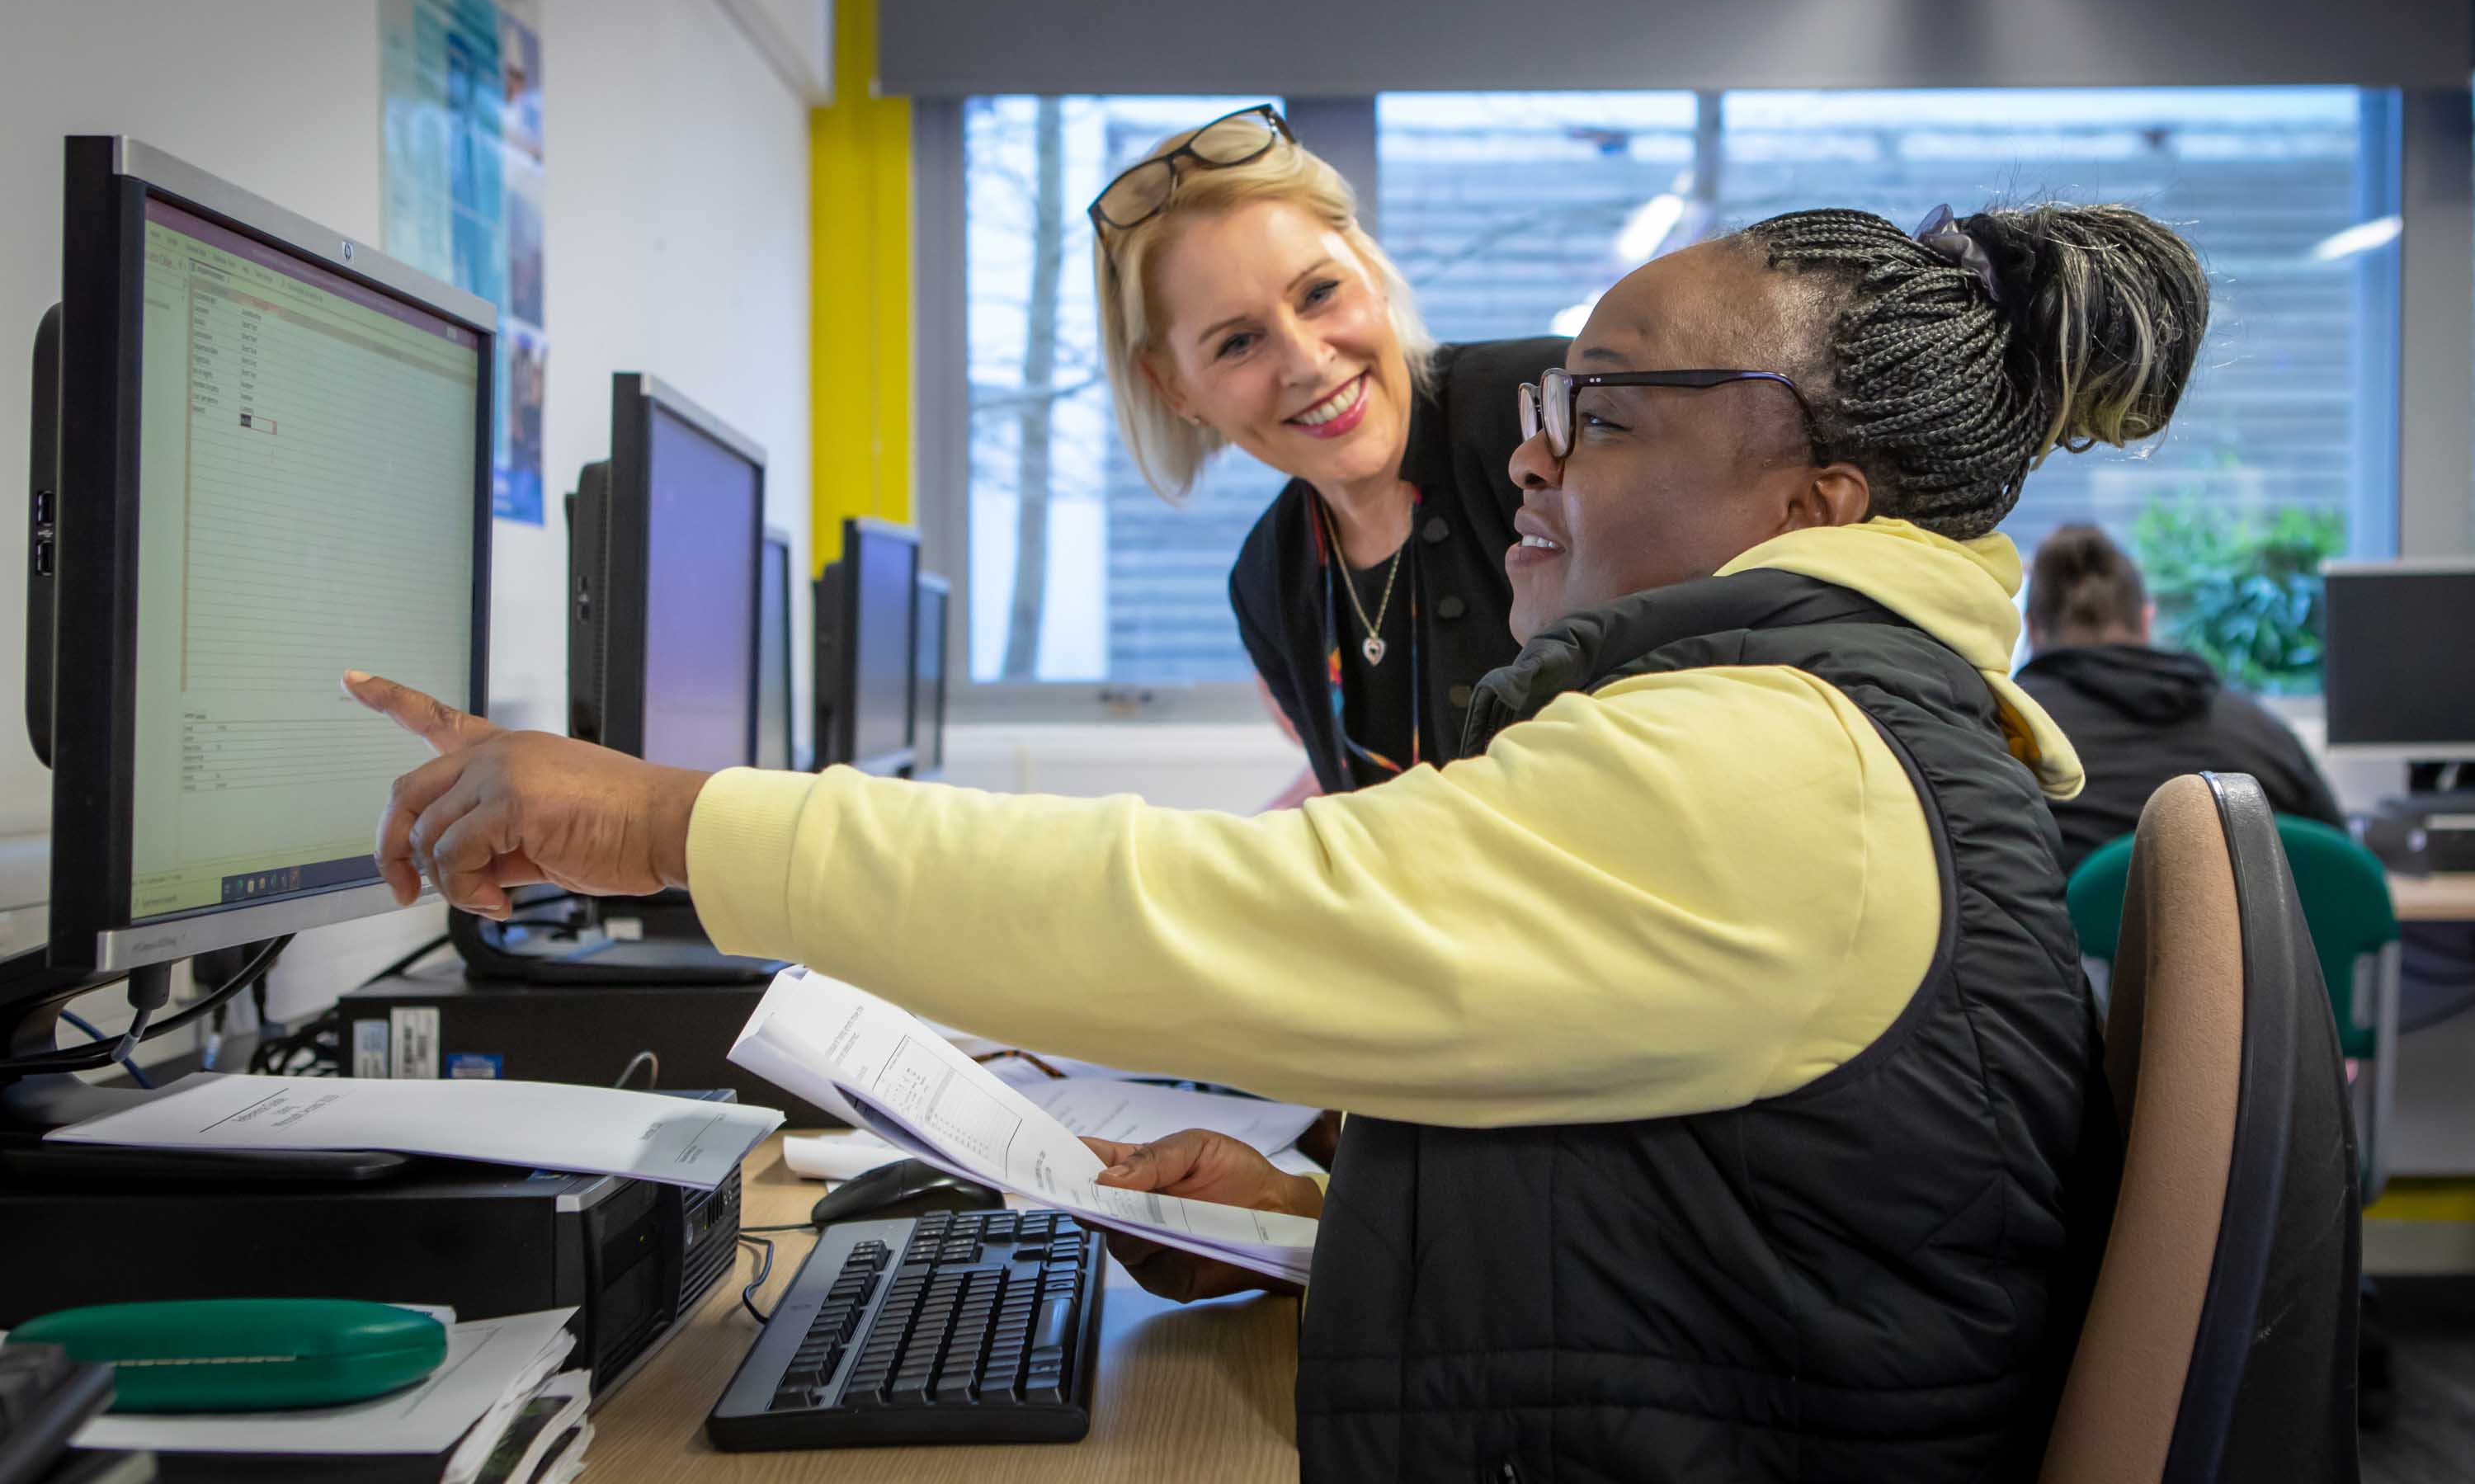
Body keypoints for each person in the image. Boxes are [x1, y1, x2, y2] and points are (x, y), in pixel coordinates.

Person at [353, 196, 2209, 1482]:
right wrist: (1342, 1233)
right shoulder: (1806, 725)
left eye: (1599, 408)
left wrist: (665, 818)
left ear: (1817, 494)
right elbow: (1698, 1205)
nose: (1532, 458)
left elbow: (1208, 913)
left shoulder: (1777, 762)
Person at [1091, 105, 1563, 792]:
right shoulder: (1269, 581)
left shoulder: (1548, 412)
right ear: (1173, 390)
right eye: (1237, 342)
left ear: (1368, 268)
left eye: (1318, 293)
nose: (1307, 363)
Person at [2017, 522, 2345, 873]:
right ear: (2146, 619)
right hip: (2235, 928)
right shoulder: (2264, 736)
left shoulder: (2004, 734)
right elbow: (2341, 869)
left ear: (2032, 628)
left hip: (2071, 928)